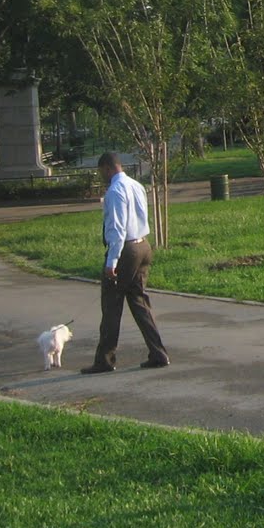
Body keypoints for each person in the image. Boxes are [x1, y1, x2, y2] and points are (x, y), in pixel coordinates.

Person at [81, 151, 168, 373]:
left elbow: (118, 228)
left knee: (111, 305)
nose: (101, 176)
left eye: (101, 172)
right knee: (139, 301)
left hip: (126, 250)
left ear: (107, 168)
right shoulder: (136, 185)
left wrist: (112, 261)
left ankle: (105, 360)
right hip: (143, 245)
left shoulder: (115, 191)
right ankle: (158, 353)